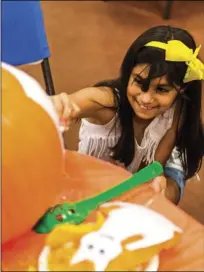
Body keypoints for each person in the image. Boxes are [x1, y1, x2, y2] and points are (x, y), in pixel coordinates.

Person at [50, 25, 204, 204]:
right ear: (128, 72)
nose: (146, 99)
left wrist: (154, 183)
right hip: (94, 188)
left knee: (162, 196)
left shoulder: (177, 110)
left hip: (138, 179)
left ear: (181, 89)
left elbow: (153, 169)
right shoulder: (103, 102)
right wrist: (57, 104)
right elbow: (64, 102)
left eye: (161, 89)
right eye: (139, 82)